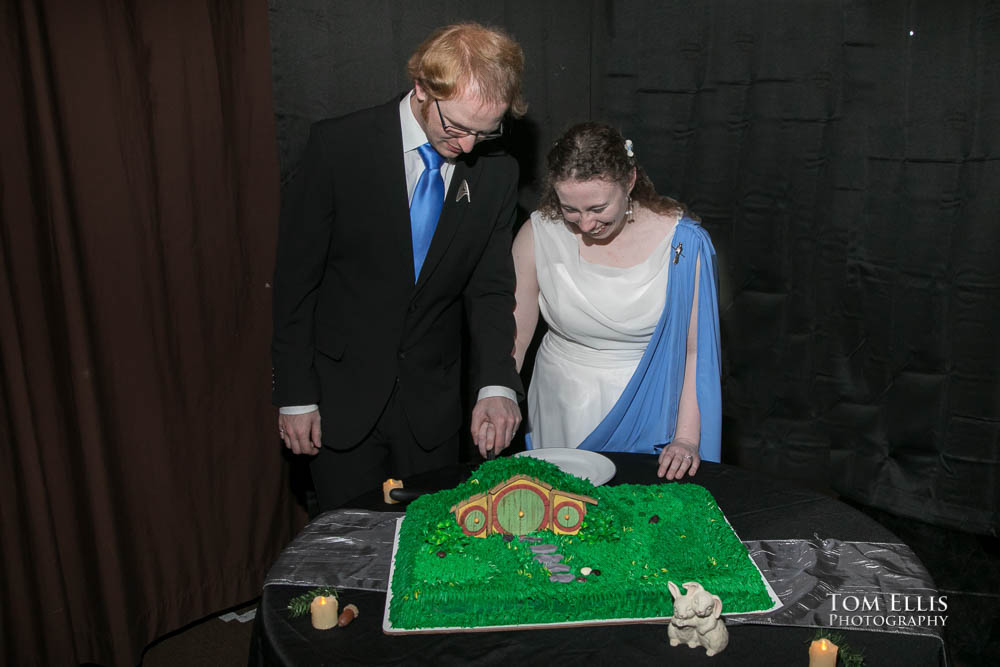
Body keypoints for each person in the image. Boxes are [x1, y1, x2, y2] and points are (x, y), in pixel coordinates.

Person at [272, 23, 526, 510]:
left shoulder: (498, 171)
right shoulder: (339, 147)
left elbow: (491, 288)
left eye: (485, 130)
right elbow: (295, 284)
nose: (469, 146)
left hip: (431, 408)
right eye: (457, 127)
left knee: (428, 558)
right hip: (339, 402)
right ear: (422, 88)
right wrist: (296, 394)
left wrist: (497, 382)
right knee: (349, 555)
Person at [512, 123, 722, 480]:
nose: (586, 224)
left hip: (649, 407)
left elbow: (695, 352)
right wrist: (497, 394)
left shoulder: (683, 246)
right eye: (570, 210)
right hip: (559, 401)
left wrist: (686, 439)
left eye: (598, 207)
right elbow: (514, 333)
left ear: (629, 181)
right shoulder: (538, 232)